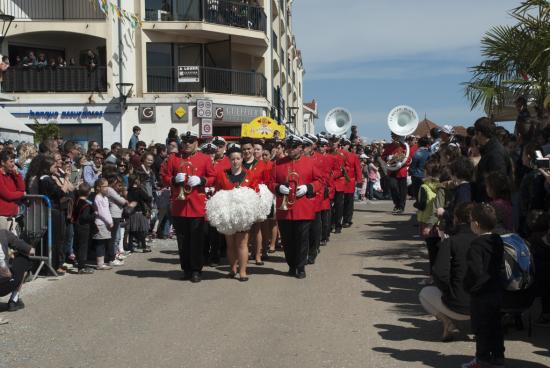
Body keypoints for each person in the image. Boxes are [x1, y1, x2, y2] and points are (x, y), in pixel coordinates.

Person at [160, 131, 216, 283]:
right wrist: (172, 179)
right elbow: (163, 177)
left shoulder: (204, 159)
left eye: (190, 142)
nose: (187, 144)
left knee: (197, 241)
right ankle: (186, 269)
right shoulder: (173, 159)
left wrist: (202, 180)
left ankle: (197, 270)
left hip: (196, 205)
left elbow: (213, 177)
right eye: (185, 142)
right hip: (179, 205)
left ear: (196, 143)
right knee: (182, 241)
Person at [419, 203, 475, 342]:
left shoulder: (451, 242)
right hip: (485, 304)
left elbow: (439, 273)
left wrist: (449, 291)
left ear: (456, 219)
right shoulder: (488, 239)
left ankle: (447, 322)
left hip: (457, 304)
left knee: (424, 294)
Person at [271, 135, 321, 279]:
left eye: (293, 147)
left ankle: (300, 266)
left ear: (300, 147)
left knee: (302, 238)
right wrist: (279, 188)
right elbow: (270, 183)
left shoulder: (310, 162)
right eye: (288, 147)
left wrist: (308, 187)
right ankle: (291, 265)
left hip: (303, 207)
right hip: (284, 208)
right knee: (287, 239)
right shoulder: (277, 164)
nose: (290, 150)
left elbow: (320, 181)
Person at [462, 203, 505, 368]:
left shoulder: (476, 245)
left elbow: (475, 271)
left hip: (481, 294)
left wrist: (468, 287)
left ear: (476, 224)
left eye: (470, 220)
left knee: (481, 329)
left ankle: (482, 359)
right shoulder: (497, 240)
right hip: (496, 289)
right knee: (496, 326)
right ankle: (499, 357)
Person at [215, 144, 259, 281]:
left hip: (243, 215)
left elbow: (255, 192)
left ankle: (243, 271)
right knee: (230, 243)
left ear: (242, 160)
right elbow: (218, 192)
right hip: (227, 213)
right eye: (233, 159)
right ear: (229, 160)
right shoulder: (222, 174)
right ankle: (232, 269)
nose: (235, 161)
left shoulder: (250, 174)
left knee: (242, 243)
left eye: (238, 158)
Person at [473, 117, 512, 202]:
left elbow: (498, 183)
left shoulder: (495, 153)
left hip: (493, 205)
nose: (474, 137)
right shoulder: (489, 149)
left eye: (475, 133)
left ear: (479, 133)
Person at [0, 230, 34, 313]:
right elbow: (31, 251)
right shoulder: (3, 233)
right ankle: (14, 300)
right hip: (3, 286)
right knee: (24, 259)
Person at [382, 133, 411, 215]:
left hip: (402, 170)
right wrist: (388, 157)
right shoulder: (390, 146)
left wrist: (402, 162)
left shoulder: (405, 146)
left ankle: (401, 206)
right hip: (392, 170)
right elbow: (383, 156)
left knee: (402, 190)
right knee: (393, 187)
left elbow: (409, 157)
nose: (394, 138)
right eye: (393, 136)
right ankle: (397, 204)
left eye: (396, 136)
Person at [71, 183, 96, 274]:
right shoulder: (86, 204)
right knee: (83, 247)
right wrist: (94, 215)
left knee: (78, 245)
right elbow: (85, 217)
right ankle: (81, 267)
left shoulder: (76, 201)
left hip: (76, 225)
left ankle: (79, 263)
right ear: (89, 192)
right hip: (84, 227)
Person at [340, 137, 363, 228]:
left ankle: (345, 220)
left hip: (348, 182)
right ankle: (346, 220)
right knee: (346, 203)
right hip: (345, 181)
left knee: (346, 202)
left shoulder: (352, 156)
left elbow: (357, 169)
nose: (343, 146)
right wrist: (359, 180)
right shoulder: (351, 156)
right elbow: (358, 169)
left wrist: (359, 180)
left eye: (344, 145)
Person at [0, 151, 26, 232]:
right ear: (2, 162)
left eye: (14, 161)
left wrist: (17, 174)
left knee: (13, 243)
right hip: (2, 216)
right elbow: (7, 195)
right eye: (11, 161)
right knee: (3, 243)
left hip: (12, 215)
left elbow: (22, 188)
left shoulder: (11, 174)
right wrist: (22, 194)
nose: (13, 164)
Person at [93, 178, 113, 270]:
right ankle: (100, 264)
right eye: (105, 186)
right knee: (100, 244)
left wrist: (110, 221)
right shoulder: (98, 198)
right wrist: (109, 221)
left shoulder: (105, 198)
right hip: (101, 223)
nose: (107, 188)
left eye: (107, 186)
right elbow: (101, 213)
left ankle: (103, 261)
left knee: (104, 243)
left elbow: (107, 211)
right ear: (98, 187)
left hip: (107, 223)